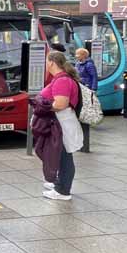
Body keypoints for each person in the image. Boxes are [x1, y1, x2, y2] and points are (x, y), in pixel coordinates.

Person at [40, 51, 83, 200]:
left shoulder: (62, 81)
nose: (46, 65)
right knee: (59, 153)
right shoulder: (60, 78)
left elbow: (60, 104)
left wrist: (42, 105)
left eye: (47, 61)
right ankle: (59, 183)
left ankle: (63, 190)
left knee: (64, 155)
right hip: (60, 122)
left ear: (51, 62)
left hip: (61, 123)